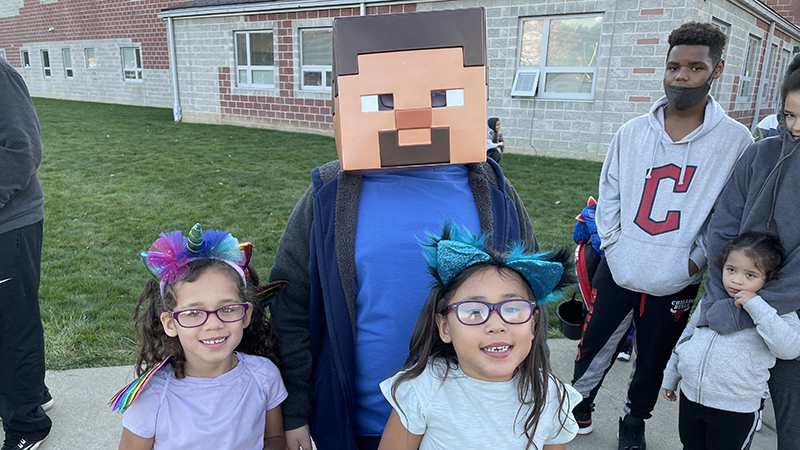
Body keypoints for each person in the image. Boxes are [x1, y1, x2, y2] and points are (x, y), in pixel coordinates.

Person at [268, 9, 538, 450]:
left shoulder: (493, 194)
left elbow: (527, 303)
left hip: (470, 426)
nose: (413, 116)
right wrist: (296, 409)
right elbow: (292, 306)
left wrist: (530, 398)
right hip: (361, 421)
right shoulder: (330, 197)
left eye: (438, 96)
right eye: (386, 101)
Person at [569, 21, 753, 449]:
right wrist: (612, 244)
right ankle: (578, 404)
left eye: (694, 67)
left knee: (653, 356)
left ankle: (634, 421)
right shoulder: (632, 131)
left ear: (717, 69)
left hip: (677, 275)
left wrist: (696, 259)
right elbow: (609, 190)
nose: (681, 77)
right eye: (673, 66)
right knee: (596, 342)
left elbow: (729, 211)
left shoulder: (735, 141)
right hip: (620, 265)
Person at [378, 223, 580, 450]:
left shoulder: (550, 395)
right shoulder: (421, 391)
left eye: (513, 309)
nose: (496, 325)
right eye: (474, 311)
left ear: (533, 324)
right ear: (444, 327)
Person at [701, 54, 800, 450]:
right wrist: (723, 296)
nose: (796, 127)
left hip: (788, 319)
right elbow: (722, 228)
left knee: (792, 431)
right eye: (789, 114)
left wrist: (750, 308)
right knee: (724, 421)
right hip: (734, 298)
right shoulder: (760, 154)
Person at [115, 224, 287, 450]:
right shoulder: (152, 397)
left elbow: (274, 440)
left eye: (227, 309)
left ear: (246, 314)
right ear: (170, 324)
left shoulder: (264, 377)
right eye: (194, 313)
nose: (213, 324)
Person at [661, 233, 800, 449]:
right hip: (691, 398)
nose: (736, 280)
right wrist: (671, 375)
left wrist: (757, 307)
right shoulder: (712, 299)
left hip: (736, 409)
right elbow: (687, 338)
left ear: (768, 278)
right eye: (731, 269)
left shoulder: (777, 312)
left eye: (750, 275)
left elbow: (789, 349)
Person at [0, 56, 52, 450]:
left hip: (10, 223)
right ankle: (31, 392)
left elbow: (22, 150)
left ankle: (27, 426)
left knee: (13, 325)